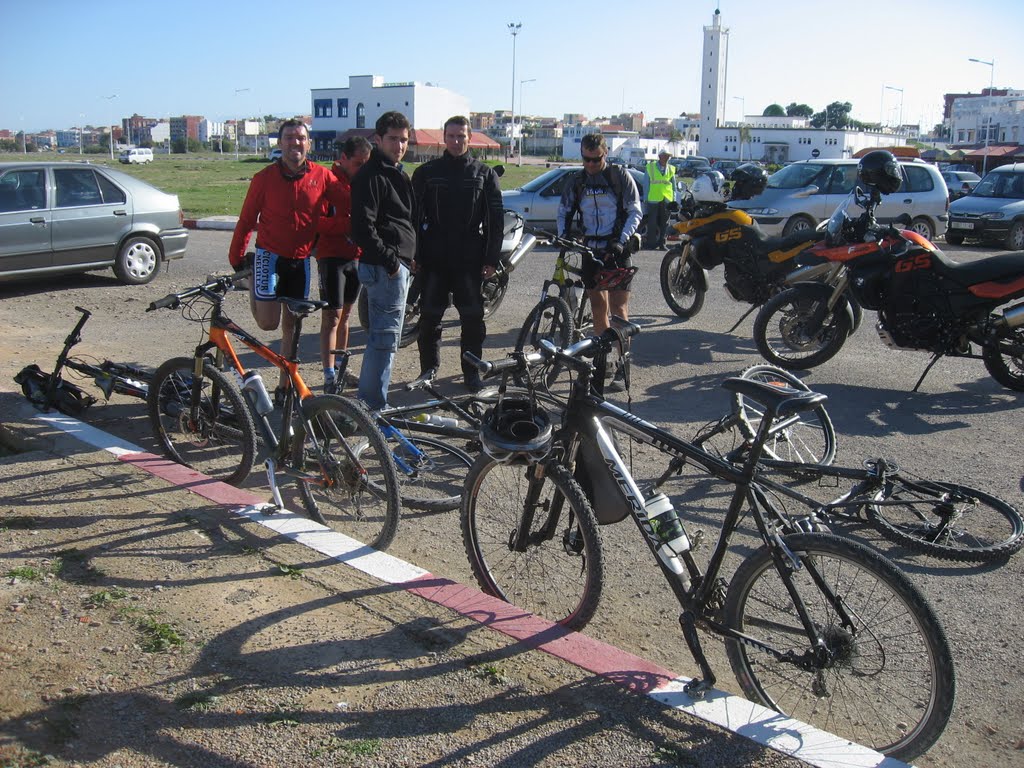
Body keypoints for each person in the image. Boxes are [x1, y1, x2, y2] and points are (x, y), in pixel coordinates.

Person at [228, 119, 343, 402]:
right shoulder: (263, 178)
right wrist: (237, 257)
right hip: (269, 256)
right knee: (269, 324)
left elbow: (349, 202)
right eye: (289, 138)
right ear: (280, 144)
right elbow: (245, 220)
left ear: (309, 143)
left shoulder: (322, 176)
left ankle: (284, 386)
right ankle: (255, 280)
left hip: (301, 260)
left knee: (291, 326)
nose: (296, 143)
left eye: (301, 138)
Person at [411, 115, 503, 391]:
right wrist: (414, 254)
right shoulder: (426, 173)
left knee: (472, 319)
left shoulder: (484, 174)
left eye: (461, 136)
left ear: (469, 137)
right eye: (450, 136)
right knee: (429, 318)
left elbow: (494, 219)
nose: (455, 141)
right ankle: (428, 369)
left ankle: (471, 373)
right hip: (434, 256)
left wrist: (491, 257)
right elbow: (413, 217)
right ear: (444, 137)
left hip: (469, 257)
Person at [557, 133, 642, 392]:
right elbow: (564, 210)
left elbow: (635, 210)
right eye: (586, 159)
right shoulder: (577, 181)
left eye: (596, 159)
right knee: (597, 308)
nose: (591, 164)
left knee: (618, 311)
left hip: (616, 249)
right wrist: (563, 236)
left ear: (606, 154)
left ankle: (623, 365)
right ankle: (601, 363)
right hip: (590, 249)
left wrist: (621, 240)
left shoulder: (619, 177)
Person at [350, 111, 415, 411]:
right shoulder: (372, 175)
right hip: (384, 269)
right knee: (384, 340)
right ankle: (373, 407)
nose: (399, 145)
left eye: (403, 140)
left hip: (395, 266)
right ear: (378, 140)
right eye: (393, 139)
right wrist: (391, 262)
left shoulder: (393, 171)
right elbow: (363, 229)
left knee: (384, 338)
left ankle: (369, 405)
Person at [315, 135, 372, 393]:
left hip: (355, 257)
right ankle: (328, 374)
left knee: (347, 316)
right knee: (332, 316)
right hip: (331, 257)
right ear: (344, 159)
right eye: (358, 163)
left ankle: (340, 366)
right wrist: (350, 226)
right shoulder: (328, 182)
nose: (363, 168)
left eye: (366, 163)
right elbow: (317, 222)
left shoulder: (364, 183)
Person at [645, 148, 677, 250]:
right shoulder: (650, 167)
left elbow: (674, 186)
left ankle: (662, 243)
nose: (667, 158)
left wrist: (674, 200)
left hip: (667, 199)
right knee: (652, 222)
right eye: (665, 156)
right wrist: (645, 198)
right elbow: (646, 184)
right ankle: (651, 243)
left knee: (665, 223)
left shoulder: (671, 169)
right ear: (659, 156)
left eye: (668, 156)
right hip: (653, 198)